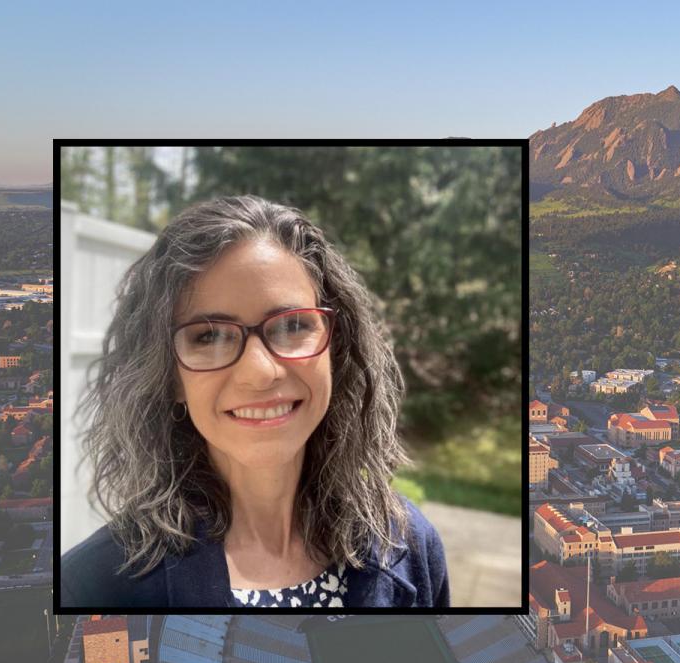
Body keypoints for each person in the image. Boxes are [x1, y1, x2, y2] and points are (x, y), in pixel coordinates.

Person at [62, 196, 448, 607]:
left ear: (334, 350)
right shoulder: (92, 586)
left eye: (293, 324)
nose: (260, 372)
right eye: (208, 335)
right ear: (170, 377)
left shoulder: (411, 545)